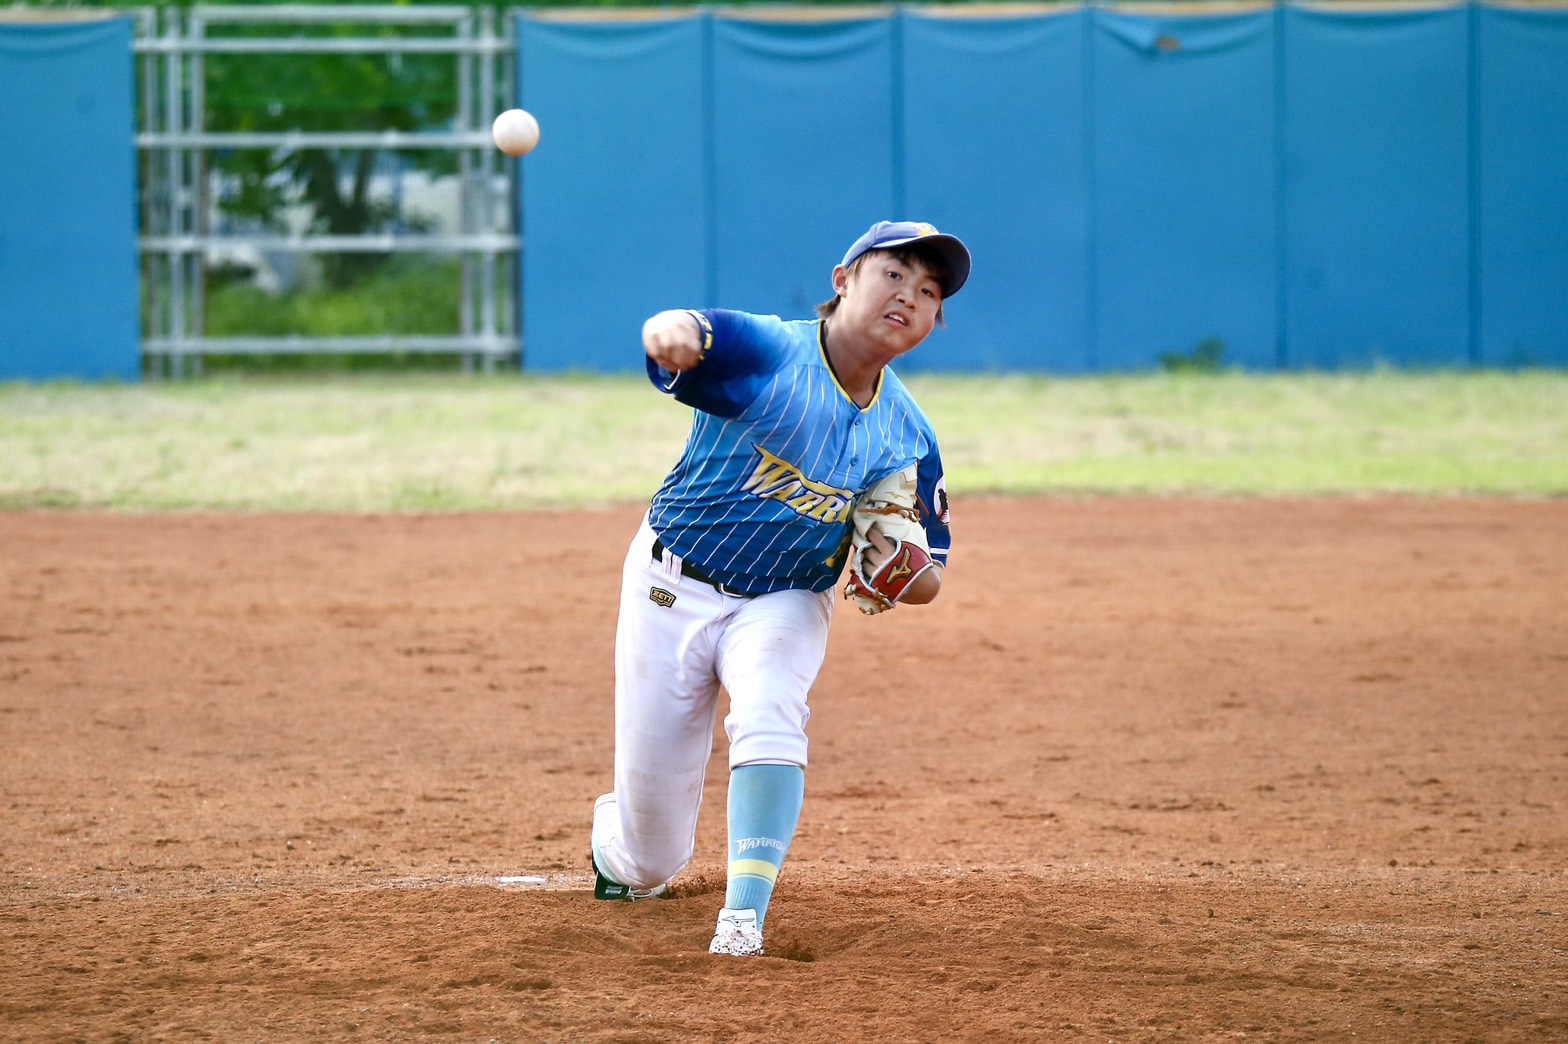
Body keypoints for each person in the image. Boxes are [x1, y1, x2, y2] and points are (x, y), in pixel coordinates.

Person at [588, 220, 971, 956]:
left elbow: (930, 576)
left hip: (788, 597)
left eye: (928, 293)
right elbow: (696, 333)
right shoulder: (774, 351)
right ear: (842, 280)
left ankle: (743, 918)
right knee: (651, 859)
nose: (909, 297)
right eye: (893, 275)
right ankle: (622, 849)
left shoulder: (907, 435)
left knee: (771, 712)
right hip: (672, 584)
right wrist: (669, 334)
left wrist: (905, 572)